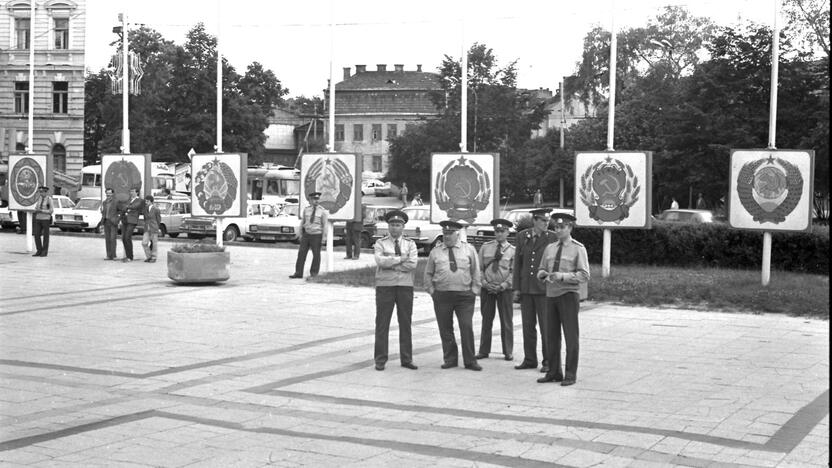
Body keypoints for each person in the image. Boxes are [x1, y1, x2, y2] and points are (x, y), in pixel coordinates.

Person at [536, 213, 589, 386]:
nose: (558, 230)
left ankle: (570, 374)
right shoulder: (550, 248)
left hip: (568, 294)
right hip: (551, 295)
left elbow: (584, 275)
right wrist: (543, 274)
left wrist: (563, 276)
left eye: (562, 227)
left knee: (570, 336)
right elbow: (541, 268)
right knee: (551, 336)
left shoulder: (577, 248)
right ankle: (553, 372)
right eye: (556, 227)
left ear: (570, 228)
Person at [424, 220, 482, 371]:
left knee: (466, 327)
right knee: (445, 328)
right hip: (442, 295)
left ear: (458, 234)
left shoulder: (468, 249)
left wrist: (474, 290)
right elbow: (428, 273)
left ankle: (470, 361)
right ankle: (450, 359)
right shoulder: (435, 252)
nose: (447, 237)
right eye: (445, 233)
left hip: (464, 296)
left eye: (450, 234)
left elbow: (476, 271)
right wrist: (432, 291)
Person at [373, 210, 419, 371]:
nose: (395, 228)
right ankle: (380, 359)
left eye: (398, 225)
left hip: (405, 286)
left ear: (403, 227)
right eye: (392, 224)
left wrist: (390, 262)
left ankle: (406, 358)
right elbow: (380, 261)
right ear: (388, 226)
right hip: (385, 286)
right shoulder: (381, 243)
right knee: (382, 323)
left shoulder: (410, 244)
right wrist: (400, 259)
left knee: (405, 323)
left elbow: (412, 264)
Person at [513, 208, 557, 373]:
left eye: (547, 221)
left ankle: (548, 361)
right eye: (543, 221)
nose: (547, 224)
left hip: (543, 289)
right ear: (535, 221)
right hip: (526, 288)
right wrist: (516, 287)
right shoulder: (523, 236)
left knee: (546, 327)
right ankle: (530, 359)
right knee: (527, 326)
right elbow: (518, 263)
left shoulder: (552, 237)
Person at [476, 218, 515, 361]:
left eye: (502, 231)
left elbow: (513, 272)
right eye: (497, 231)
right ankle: (483, 350)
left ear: (507, 232)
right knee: (486, 320)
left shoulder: (512, 251)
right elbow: (479, 269)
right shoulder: (486, 247)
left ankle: (508, 351)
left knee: (506, 321)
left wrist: (503, 285)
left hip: (504, 289)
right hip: (487, 288)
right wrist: (484, 283)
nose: (499, 234)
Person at [290, 192, 329, 278]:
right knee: (301, 254)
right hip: (306, 235)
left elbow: (325, 225)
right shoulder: (306, 210)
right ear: (310, 200)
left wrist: (324, 238)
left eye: (317, 199)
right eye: (314, 199)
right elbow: (303, 222)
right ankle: (298, 273)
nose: (316, 201)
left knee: (316, 255)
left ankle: (314, 273)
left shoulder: (323, 211)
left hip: (316, 235)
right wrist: (300, 234)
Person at [120, 188, 145, 263]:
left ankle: (130, 257)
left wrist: (127, 207)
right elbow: (123, 208)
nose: (131, 193)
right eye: (130, 191)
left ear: (137, 192)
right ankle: (127, 256)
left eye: (133, 191)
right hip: (125, 220)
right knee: (124, 238)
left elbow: (135, 206)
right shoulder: (128, 200)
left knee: (127, 237)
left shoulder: (140, 200)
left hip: (132, 220)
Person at [31, 186, 53, 257]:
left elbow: (51, 211)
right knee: (36, 234)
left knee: (45, 236)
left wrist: (42, 211)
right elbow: (36, 207)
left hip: (45, 219)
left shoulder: (49, 199)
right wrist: (35, 210)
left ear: (46, 192)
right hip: (38, 218)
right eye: (40, 192)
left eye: (42, 192)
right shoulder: (39, 198)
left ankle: (44, 251)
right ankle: (39, 250)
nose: (41, 193)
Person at [100, 188, 120, 260]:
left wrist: (118, 220)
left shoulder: (116, 202)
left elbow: (121, 211)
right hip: (106, 222)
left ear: (113, 194)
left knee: (112, 239)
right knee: (107, 239)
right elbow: (103, 212)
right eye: (107, 193)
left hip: (113, 223)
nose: (108, 195)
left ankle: (114, 255)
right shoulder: (104, 202)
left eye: (110, 193)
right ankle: (108, 255)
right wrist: (102, 221)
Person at [142, 195, 162, 263]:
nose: (146, 202)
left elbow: (158, 220)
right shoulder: (145, 209)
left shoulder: (156, 209)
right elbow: (145, 218)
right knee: (144, 243)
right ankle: (149, 256)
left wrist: (157, 227)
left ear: (151, 201)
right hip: (146, 228)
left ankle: (154, 257)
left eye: (147, 201)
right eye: (145, 201)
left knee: (154, 243)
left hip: (154, 228)